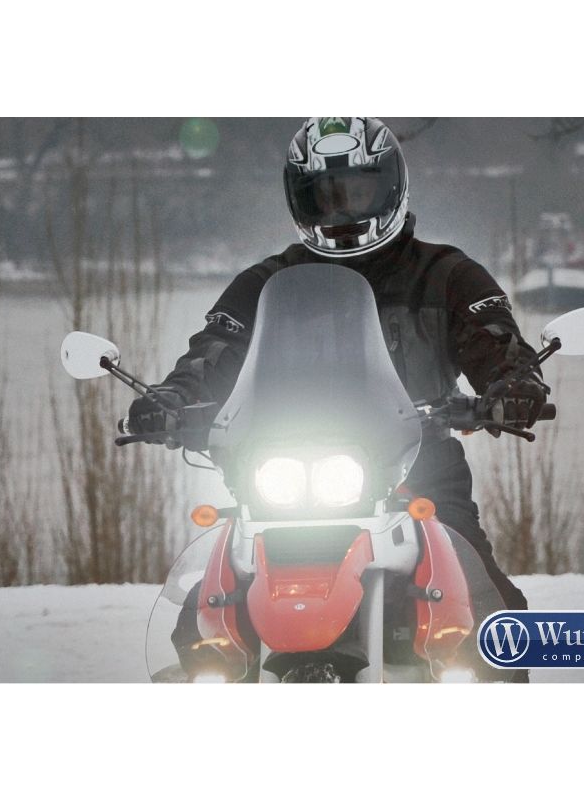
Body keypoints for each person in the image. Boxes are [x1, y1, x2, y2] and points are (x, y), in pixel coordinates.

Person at [127, 117, 548, 676]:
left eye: (356, 191)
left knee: (494, 617)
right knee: (201, 628)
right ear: (299, 200)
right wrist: (171, 399)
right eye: (322, 195)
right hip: (282, 477)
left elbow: (496, 340)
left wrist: (514, 384)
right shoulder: (267, 282)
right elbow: (214, 350)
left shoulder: (448, 274)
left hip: (420, 466)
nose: (340, 209)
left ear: (391, 188)